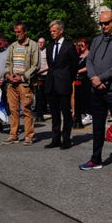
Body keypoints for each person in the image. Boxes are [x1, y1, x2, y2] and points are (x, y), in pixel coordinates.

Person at [80, 10, 112, 174]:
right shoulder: (96, 40)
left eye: (106, 23)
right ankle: (96, 159)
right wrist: (94, 78)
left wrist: (102, 79)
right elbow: (89, 61)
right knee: (97, 127)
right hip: (97, 90)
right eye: (101, 23)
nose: (103, 26)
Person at [44, 20, 79, 149]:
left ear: (61, 31)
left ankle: (66, 139)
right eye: (51, 31)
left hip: (64, 83)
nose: (52, 33)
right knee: (54, 114)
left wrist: (68, 78)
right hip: (51, 84)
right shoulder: (49, 46)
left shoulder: (69, 46)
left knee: (66, 113)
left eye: (54, 31)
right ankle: (55, 138)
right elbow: (50, 63)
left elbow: (74, 65)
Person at [3, 22, 39, 145]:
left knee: (27, 110)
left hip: (25, 84)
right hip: (12, 84)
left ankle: (29, 135)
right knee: (13, 110)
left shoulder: (33, 45)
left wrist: (22, 77)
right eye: (15, 32)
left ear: (25, 32)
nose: (17, 34)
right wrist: (8, 75)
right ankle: (13, 135)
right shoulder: (12, 46)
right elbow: (8, 64)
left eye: (19, 32)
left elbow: (36, 66)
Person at [73, 37, 92, 128]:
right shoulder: (78, 54)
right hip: (77, 79)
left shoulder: (90, 54)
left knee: (86, 96)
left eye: (82, 44)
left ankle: (88, 113)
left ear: (87, 44)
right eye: (79, 45)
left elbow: (89, 67)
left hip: (86, 78)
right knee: (78, 97)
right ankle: (80, 114)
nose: (81, 46)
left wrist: (78, 71)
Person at [34, 37, 48, 122]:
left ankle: (45, 109)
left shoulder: (47, 51)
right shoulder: (35, 52)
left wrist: (41, 71)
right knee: (38, 96)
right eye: (39, 42)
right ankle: (39, 114)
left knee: (45, 95)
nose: (40, 44)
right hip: (37, 76)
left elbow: (50, 64)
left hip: (45, 75)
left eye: (42, 42)